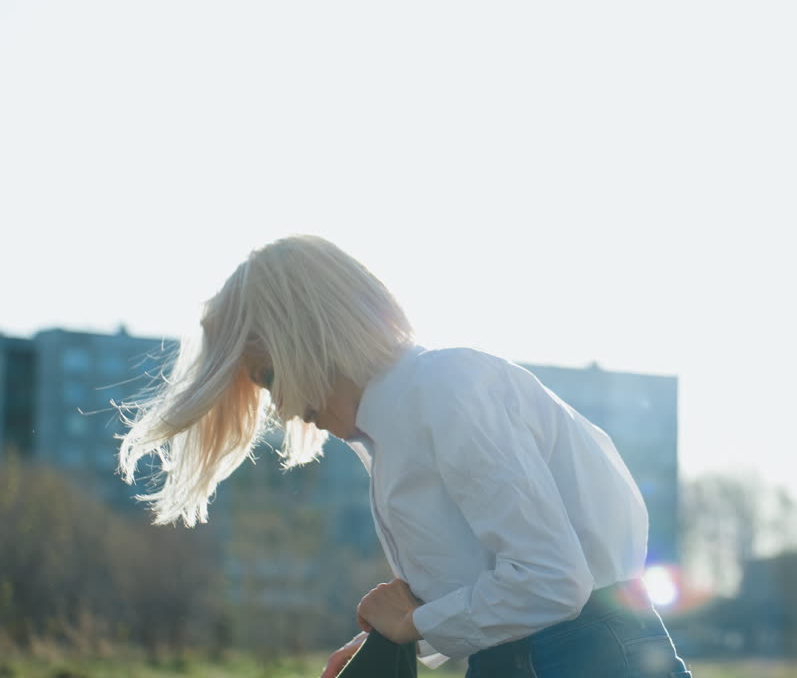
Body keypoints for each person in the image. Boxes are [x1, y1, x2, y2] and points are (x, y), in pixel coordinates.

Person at [117, 235, 693, 678]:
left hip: (580, 658)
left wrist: (414, 622)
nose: (285, 409)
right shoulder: (397, 431)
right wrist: (398, 636)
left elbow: (551, 583)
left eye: (269, 379)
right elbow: (510, 586)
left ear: (309, 336)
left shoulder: (443, 392)